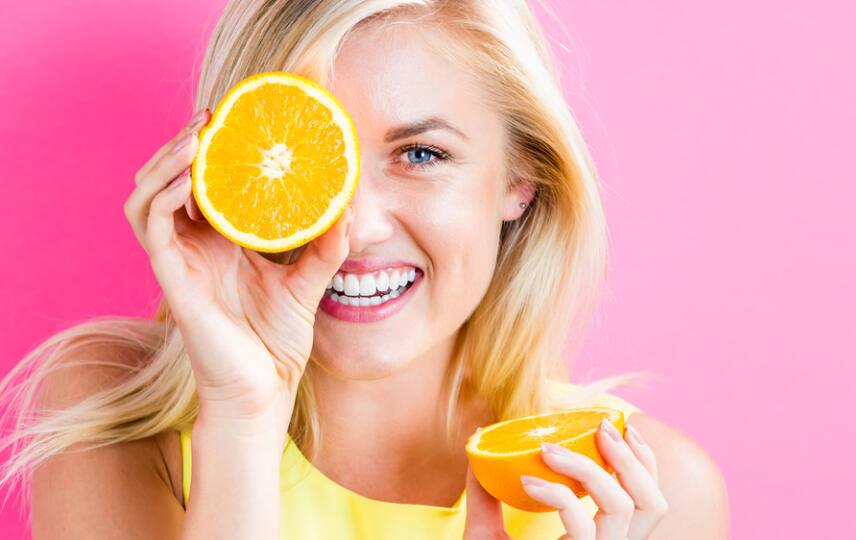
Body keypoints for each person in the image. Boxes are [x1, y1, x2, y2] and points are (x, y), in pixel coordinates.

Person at [0, 1, 729, 538]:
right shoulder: (110, 410)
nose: (352, 231)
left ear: (520, 182)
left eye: (420, 155)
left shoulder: (637, 495)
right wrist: (245, 416)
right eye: (309, 164)